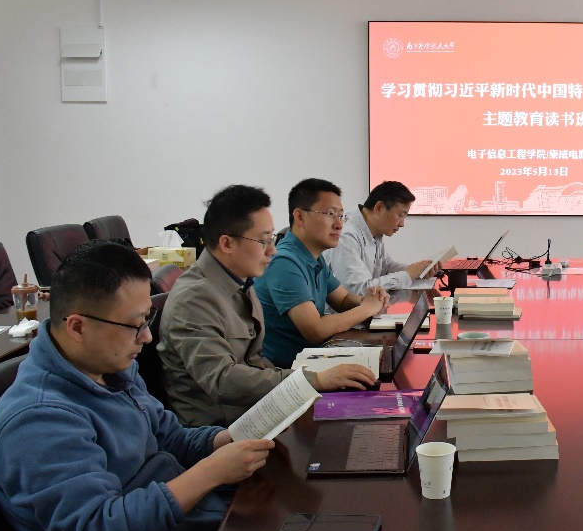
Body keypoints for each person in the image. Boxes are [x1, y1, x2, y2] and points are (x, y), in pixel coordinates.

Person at [0, 241, 275, 531]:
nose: (147, 338)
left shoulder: (108, 366)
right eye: (135, 326)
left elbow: (168, 436)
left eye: (147, 321)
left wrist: (225, 441)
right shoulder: (38, 421)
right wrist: (212, 472)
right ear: (78, 327)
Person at [159, 185, 378, 427]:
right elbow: (223, 380)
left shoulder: (242, 281)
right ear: (227, 244)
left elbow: (255, 360)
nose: (272, 250)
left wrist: (312, 380)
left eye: (272, 239)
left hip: (258, 407)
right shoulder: (194, 299)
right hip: (224, 428)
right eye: (263, 241)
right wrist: (313, 379)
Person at [255, 178, 390, 368]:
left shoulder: (314, 257)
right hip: (288, 372)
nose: (339, 224)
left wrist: (369, 300)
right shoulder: (284, 262)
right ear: (300, 217)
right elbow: (315, 330)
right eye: (330, 214)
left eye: (341, 216)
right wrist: (367, 309)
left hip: (315, 359)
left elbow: (342, 300)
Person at [323, 180, 438, 295]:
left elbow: (386, 267)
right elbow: (359, 290)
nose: (402, 224)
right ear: (379, 207)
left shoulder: (373, 230)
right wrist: (408, 275)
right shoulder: (346, 236)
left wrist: (418, 270)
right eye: (400, 215)